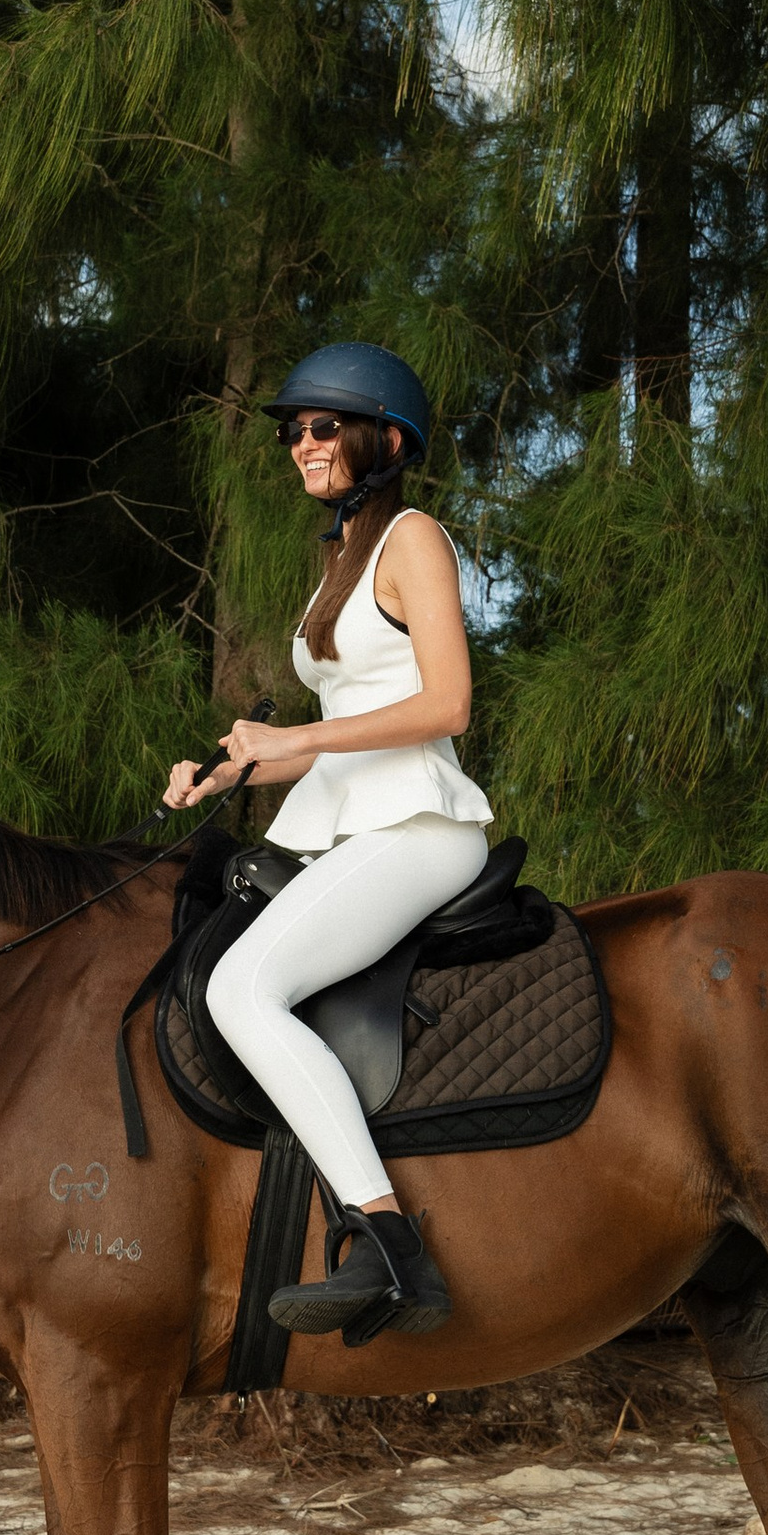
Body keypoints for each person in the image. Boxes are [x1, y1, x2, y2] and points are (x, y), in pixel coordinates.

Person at [162, 342, 491, 1339]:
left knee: (241, 988)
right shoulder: (339, 559)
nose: (299, 443)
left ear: (384, 441)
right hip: (354, 818)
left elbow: (447, 703)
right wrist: (228, 769)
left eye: (320, 426)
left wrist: (292, 736)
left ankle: (389, 1244)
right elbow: (336, 736)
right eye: (290, 430)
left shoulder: (415, 540)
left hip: (421, 826)